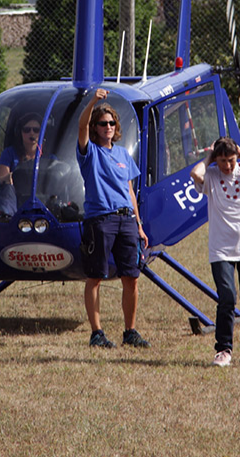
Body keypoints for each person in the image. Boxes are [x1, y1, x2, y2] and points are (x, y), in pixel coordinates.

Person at [76, 87, 150, 350]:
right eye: (102, 123)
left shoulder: (122, 155)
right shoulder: (89, 152)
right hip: (100, 220)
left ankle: (130, 331)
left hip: (127, 220)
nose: (108, 127)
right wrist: (93, 101)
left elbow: (129, 191)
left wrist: (139, 226)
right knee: (95, 277)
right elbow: (81, 125)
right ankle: (97, 333)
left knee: (131, 277)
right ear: (95, 127)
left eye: (111, 123)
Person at [190, 137, 240, 367]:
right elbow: (196, 175)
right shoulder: (212, 176)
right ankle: (224, 349)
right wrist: (210, 158)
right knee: (226, 297)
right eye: (223, 160)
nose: (227, 165)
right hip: (222, 248)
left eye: (231, 159)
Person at [0, 113, 41, 215]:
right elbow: (1, 180)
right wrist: (15, 176)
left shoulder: (49, 157)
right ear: (20, 133)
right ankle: (9, 221)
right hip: (15, 199)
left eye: (36, 130)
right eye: (27, 130)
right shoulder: (9, 153)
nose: (31, 133)